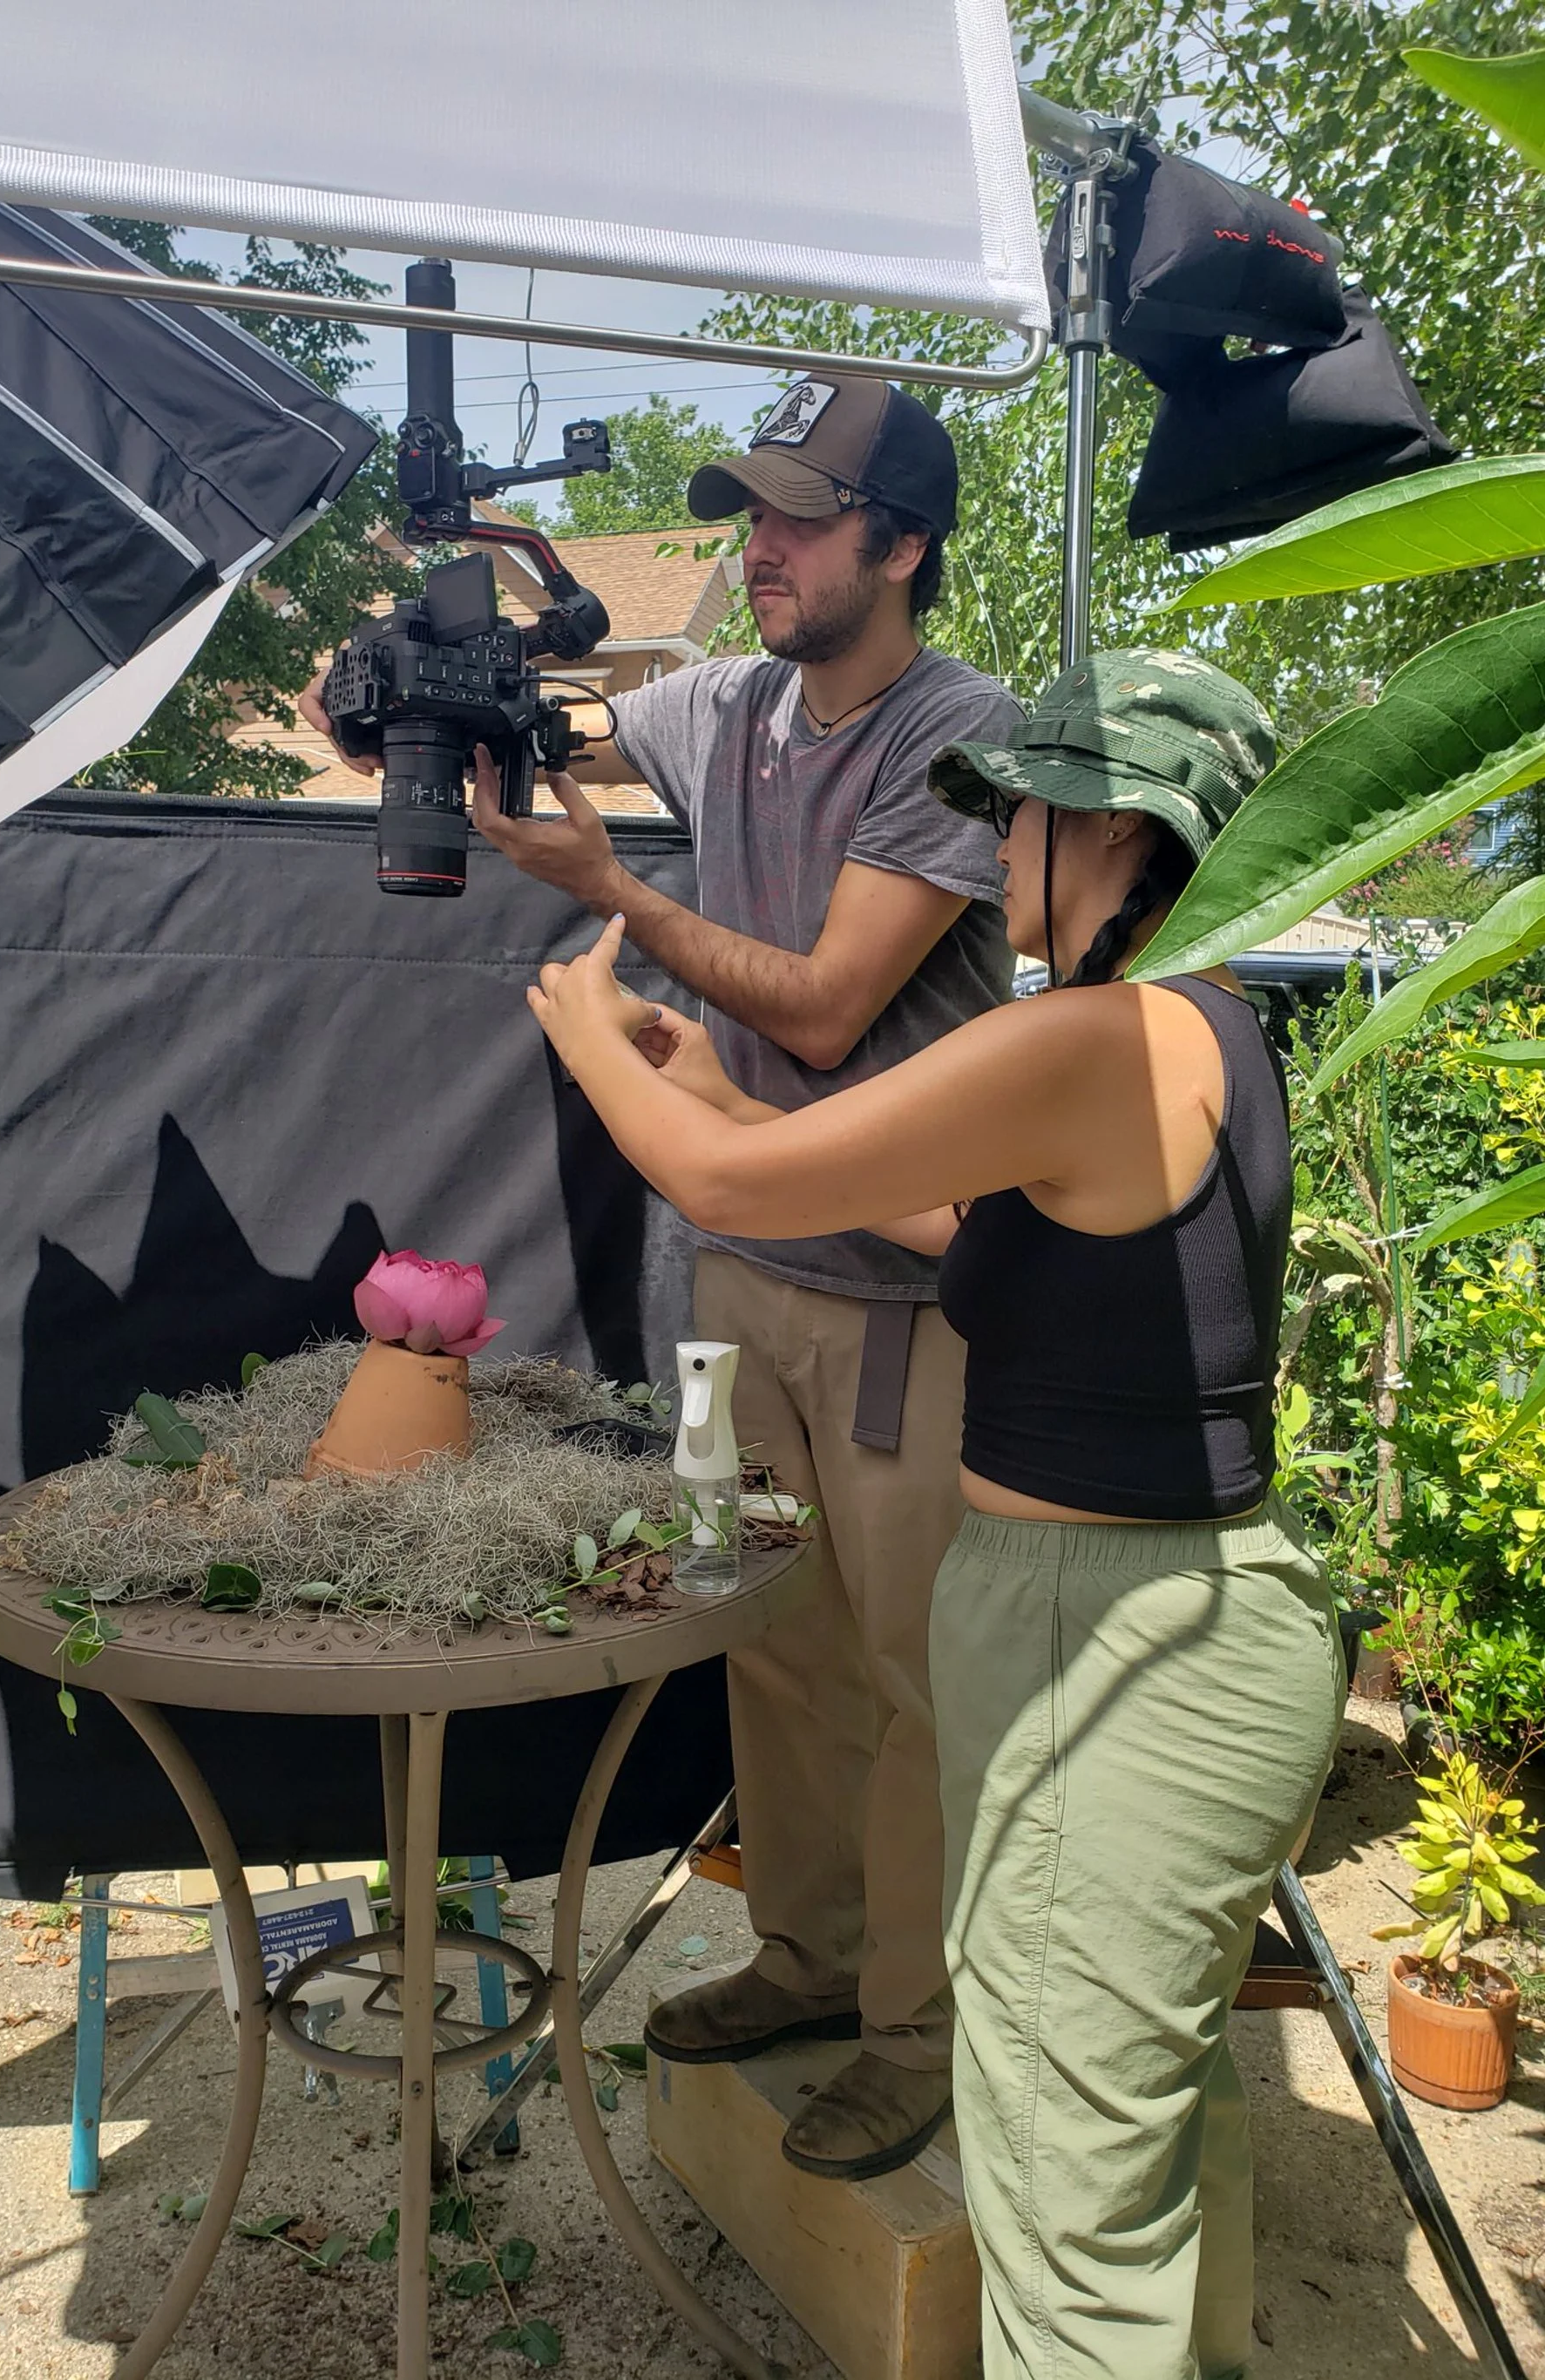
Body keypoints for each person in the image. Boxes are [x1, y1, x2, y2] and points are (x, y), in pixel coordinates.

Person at [520, 648, 1347, 2380]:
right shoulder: (1198, 1028)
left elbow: (732, 1191)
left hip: (1109, 1639)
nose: (992, 856)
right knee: (1113, 2149)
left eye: (1015, 816)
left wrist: (597, 1036)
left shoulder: (1091, 1035)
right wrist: (717, 1080)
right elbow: (954, 1236)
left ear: (1112, 828)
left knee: (1067, 2223)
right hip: (1157, 1616)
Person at [308, 374, 1022, 2181]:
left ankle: (920, 2033)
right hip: (737, 1273)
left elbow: (826, 1001)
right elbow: (570, 721)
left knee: (913, 1674)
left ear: (900, 544)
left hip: (896, 1296)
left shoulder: (958, 733)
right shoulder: (736, 703)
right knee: (768, 1652)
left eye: (793, 520)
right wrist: (408, 662)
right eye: (749, 515)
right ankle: (804, 1961)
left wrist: (605, 893)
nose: (755, 548)